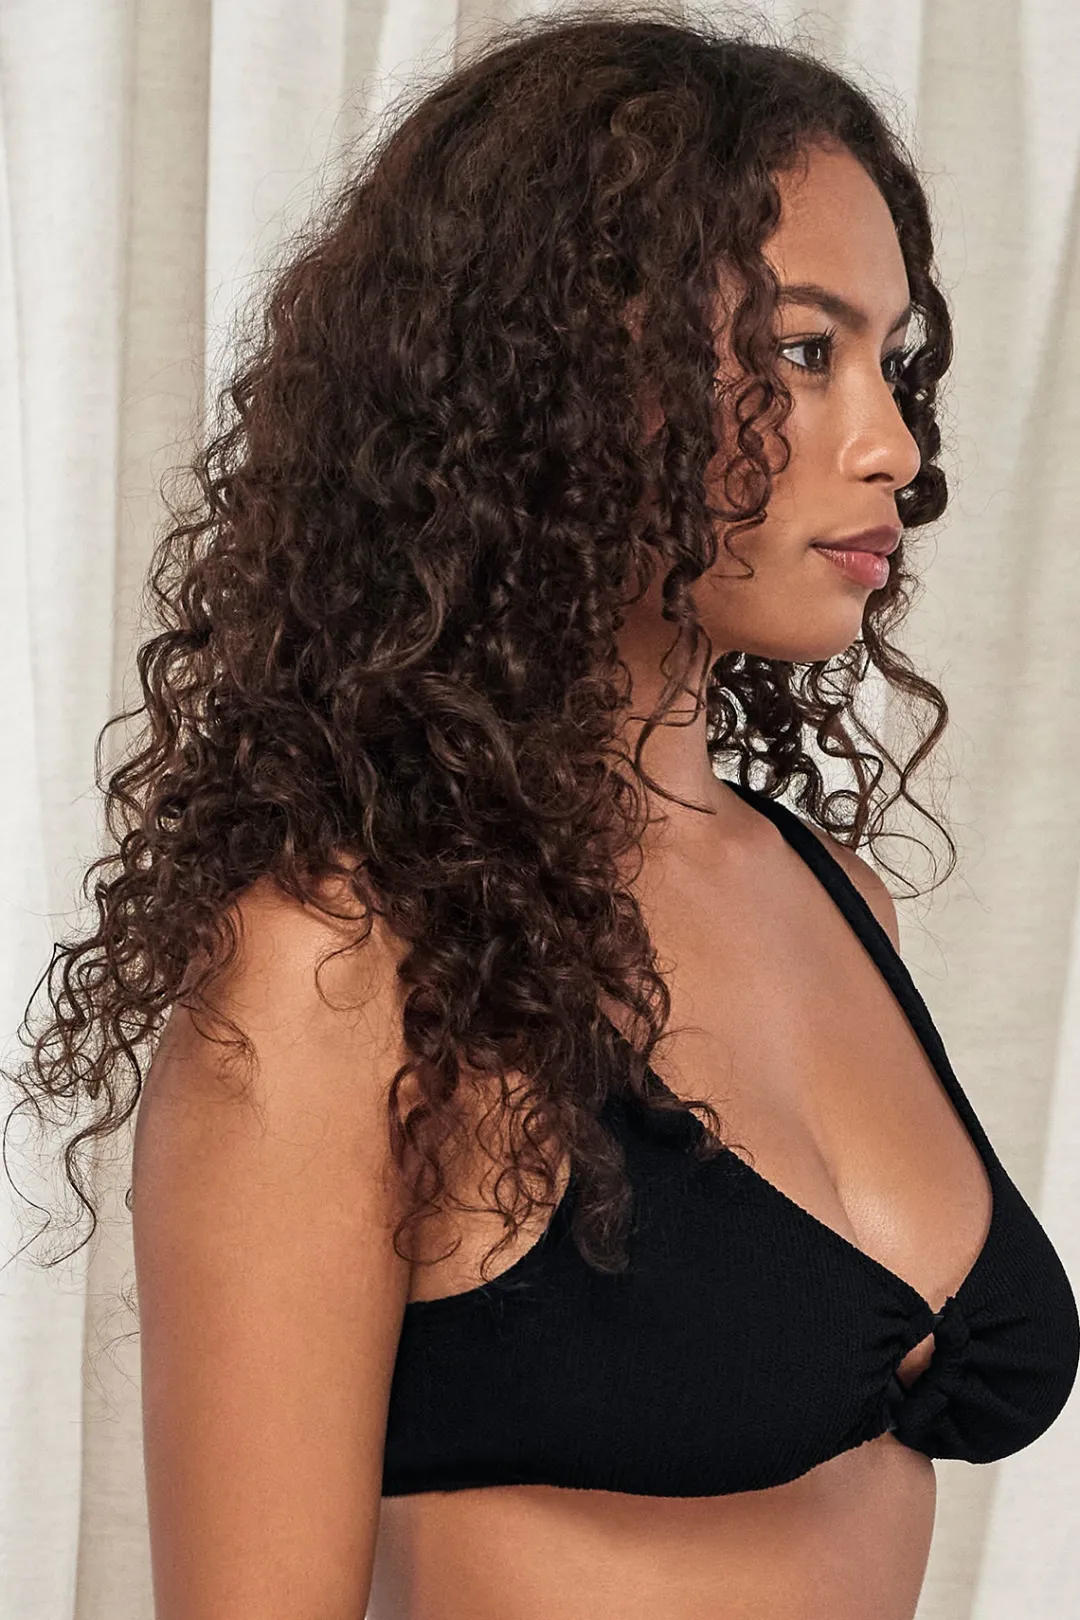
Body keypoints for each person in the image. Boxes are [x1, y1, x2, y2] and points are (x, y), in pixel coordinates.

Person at [6, 9, 1077, 1620]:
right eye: (804, 352)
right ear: (569, 378)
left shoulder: (836, 894)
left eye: (893, 361)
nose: (895, 446)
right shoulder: (339, 963)